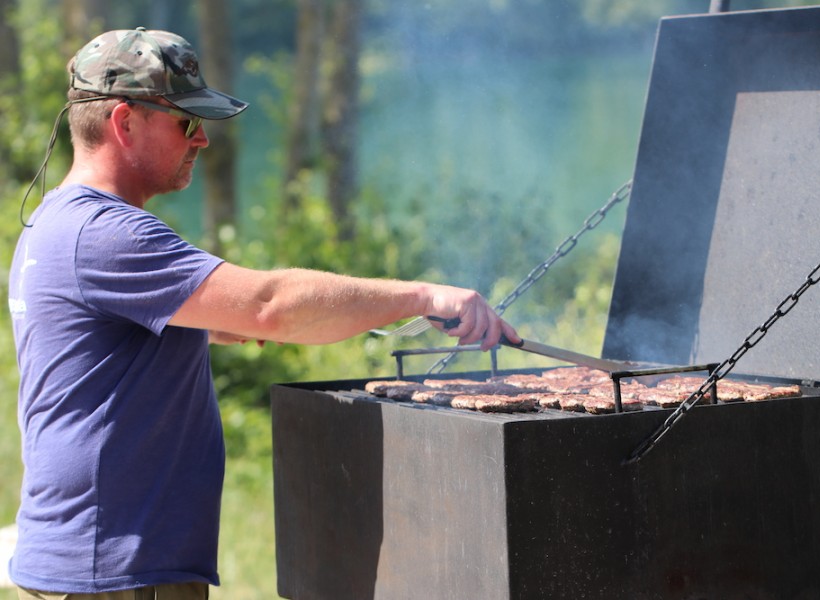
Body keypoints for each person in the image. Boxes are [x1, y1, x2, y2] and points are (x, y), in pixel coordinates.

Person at [7, 27, 519, 600]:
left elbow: (211, 318)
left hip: (106, 559)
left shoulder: (59, 222)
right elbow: (269, 306)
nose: (201, 141)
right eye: (187, 122)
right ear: (125, 122)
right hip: (113, 571)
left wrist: (252, 318)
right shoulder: (105, 234)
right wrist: (426, 297)